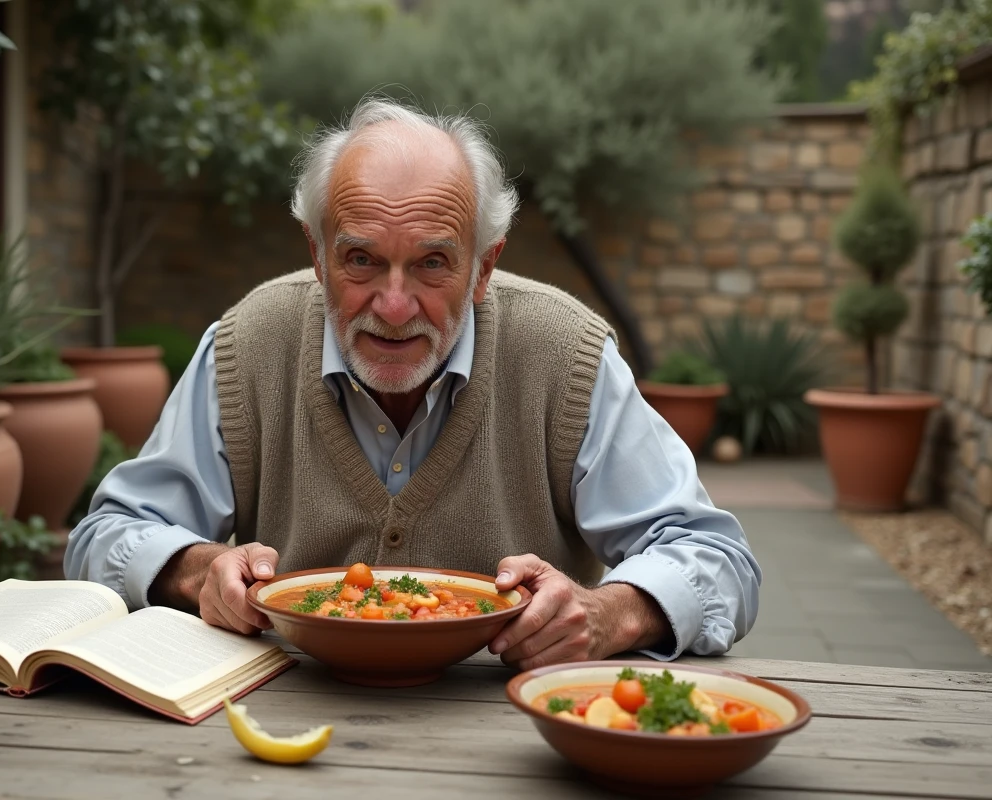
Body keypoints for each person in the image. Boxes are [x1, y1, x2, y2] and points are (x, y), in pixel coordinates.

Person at [66, 97, 761, 671]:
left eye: (433, 263)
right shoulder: (248, 345)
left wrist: (608, 612)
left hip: (516, 745)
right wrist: (199, 570)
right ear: (317, 254)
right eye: (361, 259)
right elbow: (106, 534)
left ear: (483, 268)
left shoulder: (564, 354)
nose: (393, 307)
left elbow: (718, 559)